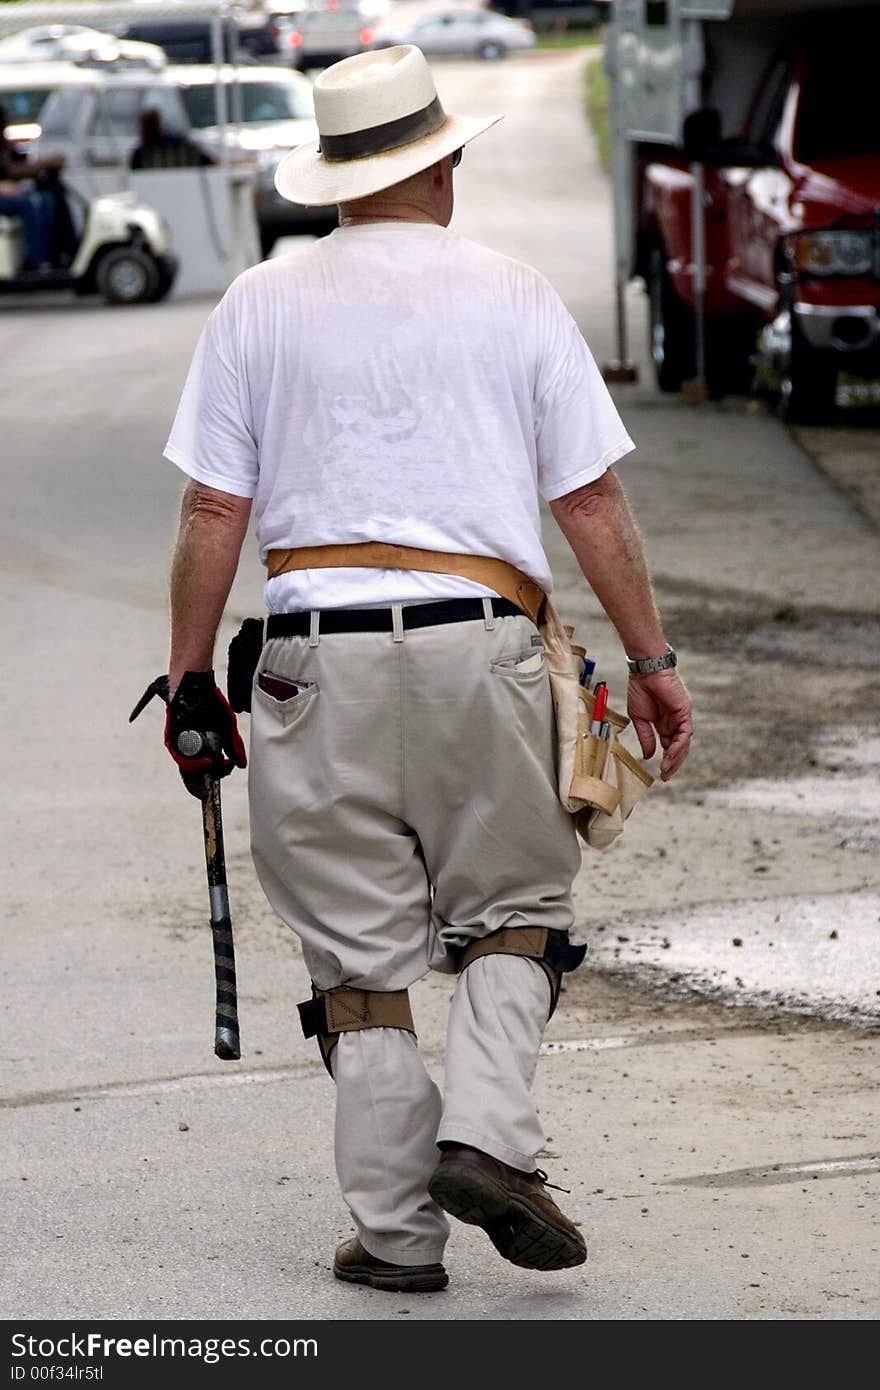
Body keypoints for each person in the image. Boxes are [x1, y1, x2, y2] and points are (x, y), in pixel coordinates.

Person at [152, 45, 693, 1294]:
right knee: (513, 908)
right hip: (482, 648)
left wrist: (189, 681)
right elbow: (591, 498)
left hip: (305, 667)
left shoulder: (257, 304)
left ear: (336, 180)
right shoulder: (513, 294)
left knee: (356, 960)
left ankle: (397, 1238)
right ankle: (491, 1141)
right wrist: (651, 660)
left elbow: (208, 513)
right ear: (442, 163)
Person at [0, 105, 64, 272]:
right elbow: (10, 170)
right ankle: (37, 261)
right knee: (31, 203)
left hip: (10, 193)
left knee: (48, 198)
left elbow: (20, 163)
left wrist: (42, 164)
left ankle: (57, 253)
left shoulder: (5, 145)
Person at [129, 107, 212, 171]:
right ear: (159, 124)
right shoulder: (184, 146)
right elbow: (210, 163)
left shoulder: (140, 154)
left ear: (142, 128)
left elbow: (133, 174)